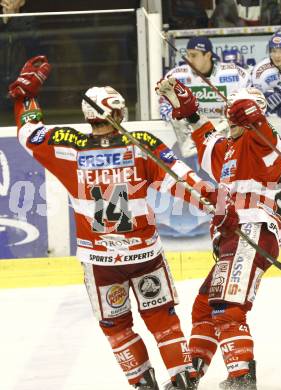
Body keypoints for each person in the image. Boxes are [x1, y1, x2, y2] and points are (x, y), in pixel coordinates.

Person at [8, 56, 216, 390]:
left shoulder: (67, 147)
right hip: (144, 253)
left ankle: (142, 383)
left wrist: (25, 98)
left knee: (116, 326)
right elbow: (185, 181)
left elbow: (28, 133)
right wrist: (219, 204)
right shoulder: (142, 145)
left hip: (100, 260)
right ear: (117, 114)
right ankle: (182, 380)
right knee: (162, 319)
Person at [156, 78, 281, 389]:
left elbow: (269, 148)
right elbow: (205, 137)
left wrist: (251, 115)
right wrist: (190, 112)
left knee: (228, 306)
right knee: (204, 306)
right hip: (232, 237)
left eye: (235, 118)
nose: (229, 123)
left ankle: (241, 377)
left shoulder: (263, 141)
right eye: (229, 118)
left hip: (253, 230)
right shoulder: (226, 148)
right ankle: (193, 374)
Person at [159, 36, 251, 157]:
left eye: (194, 55)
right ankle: (193, 156)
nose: (189, 59)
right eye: (187, 55)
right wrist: (170, 110)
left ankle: (231, 155)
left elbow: (250, 97)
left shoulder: (234, 73)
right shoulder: (175, 75)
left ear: (207, 55)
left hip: (225, 126)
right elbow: (163, 103)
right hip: (193, 128)